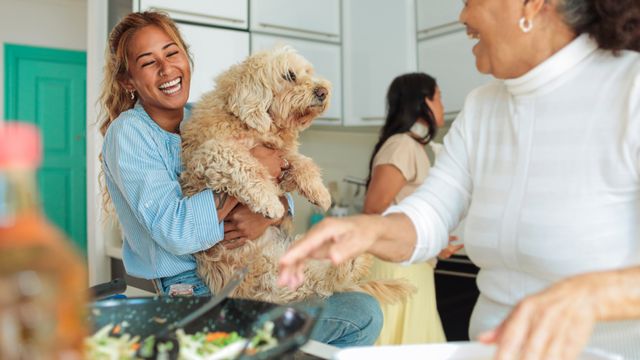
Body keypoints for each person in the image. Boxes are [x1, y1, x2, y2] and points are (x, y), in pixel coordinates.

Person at [278, 0, 640, 358]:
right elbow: (431, 214)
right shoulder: (483, 107)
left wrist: (589, 294)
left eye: (471, 1)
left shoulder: (631, 89)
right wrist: (368, 230)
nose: (463, 16)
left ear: (531, 5)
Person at [99, 11, 382, 347]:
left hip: (251, 270)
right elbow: (175, 230)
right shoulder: (129, 133)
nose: (166, 68)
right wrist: (255, 176)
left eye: (171, 53)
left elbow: (276, 193)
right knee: (359, 314)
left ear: (186, 57)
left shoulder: (202, 115)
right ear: (129, 80)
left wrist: (264, 214)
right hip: (193, 293)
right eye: (148, 62)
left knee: (361, 306)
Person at [363, 73, 460, 345]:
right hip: (397, 269)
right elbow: (373, 209)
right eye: (439, 98)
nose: (442, 106)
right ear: (423, 102)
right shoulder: (402, 145)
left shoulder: (414, 147)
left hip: (411, 266)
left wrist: (433, 243)